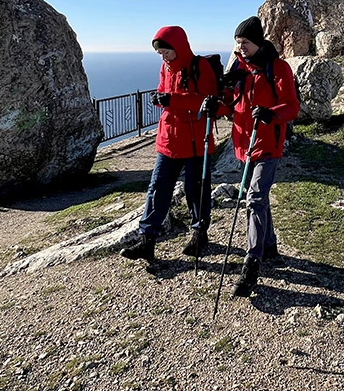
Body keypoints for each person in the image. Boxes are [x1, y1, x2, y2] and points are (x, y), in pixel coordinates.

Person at [204, 16, 299, 297]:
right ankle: (269, 248)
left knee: (254, 199)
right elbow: (231, 107)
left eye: (244, 42)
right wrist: (215, 106)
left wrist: (271, 114)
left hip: (268, 144)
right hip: (243, 145)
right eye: (237, 42)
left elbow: (292, 107)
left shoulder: (278, 68)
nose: (240, 47)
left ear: (257, 42)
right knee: (258, 199)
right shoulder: (239, 70)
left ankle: (252, 262)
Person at [121, 25, 219, 262]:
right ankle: (147, 239)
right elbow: (164, 93)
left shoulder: (200, 66)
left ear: (179, 46)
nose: (164, 56)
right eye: (160, 53)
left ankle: (199, 233)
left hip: (195, 140)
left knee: (195, 190)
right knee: (157, 189)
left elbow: (208, 100)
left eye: (167, 51)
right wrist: (159, 98)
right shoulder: (165, 67)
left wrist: (171, 99)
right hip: (168, 140)